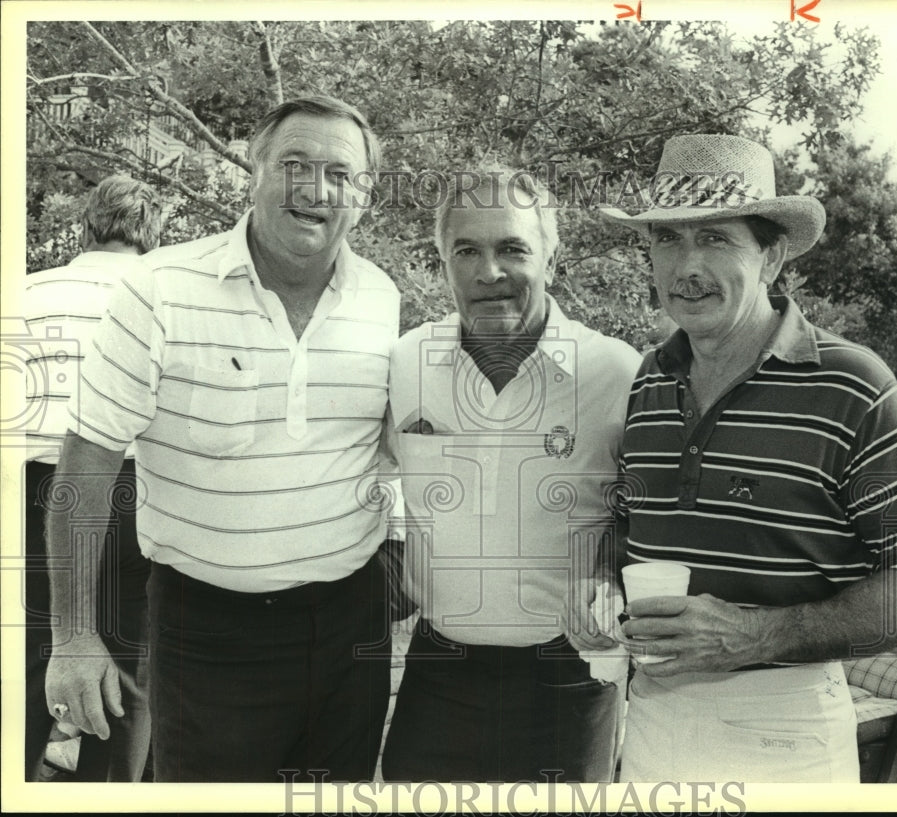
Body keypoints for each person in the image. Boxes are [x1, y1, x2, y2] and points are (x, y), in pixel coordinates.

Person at [43, 96, 400, 782]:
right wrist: (74, 635)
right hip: (207, 631)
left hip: (352, 626)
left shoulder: (381, 299)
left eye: (339, 174)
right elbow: (86, 463)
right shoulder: (159, 288)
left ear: (365, 194)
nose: (315, 190)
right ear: (253, 170)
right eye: (294, 164)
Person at [595, 134, 897, 783]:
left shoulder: (851, 383)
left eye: (714, 238)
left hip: (784, 734)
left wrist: (755, 633)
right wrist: (596, 585)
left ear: (770, 255)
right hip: (650, 719)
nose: (686, 266)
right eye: (667, 239)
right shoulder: (650, 380)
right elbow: (634, 532)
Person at [379, 167, 641, 782]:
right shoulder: (404, 362)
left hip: (571, 678)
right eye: (465, 250)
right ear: (441, 259)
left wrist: (610, 566)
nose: (487, 272)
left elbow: (656, 513)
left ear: (553, 255)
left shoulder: (617, 373)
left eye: (512, 249)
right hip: (438, 667)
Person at [24, 175, 162, 782]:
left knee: (30, 658)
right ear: (152, 235)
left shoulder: (24, 291)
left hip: (35, 489)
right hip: (137, 490)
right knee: (134, 669)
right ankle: (113, 789)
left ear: (85, 226)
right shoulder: (162, 298)